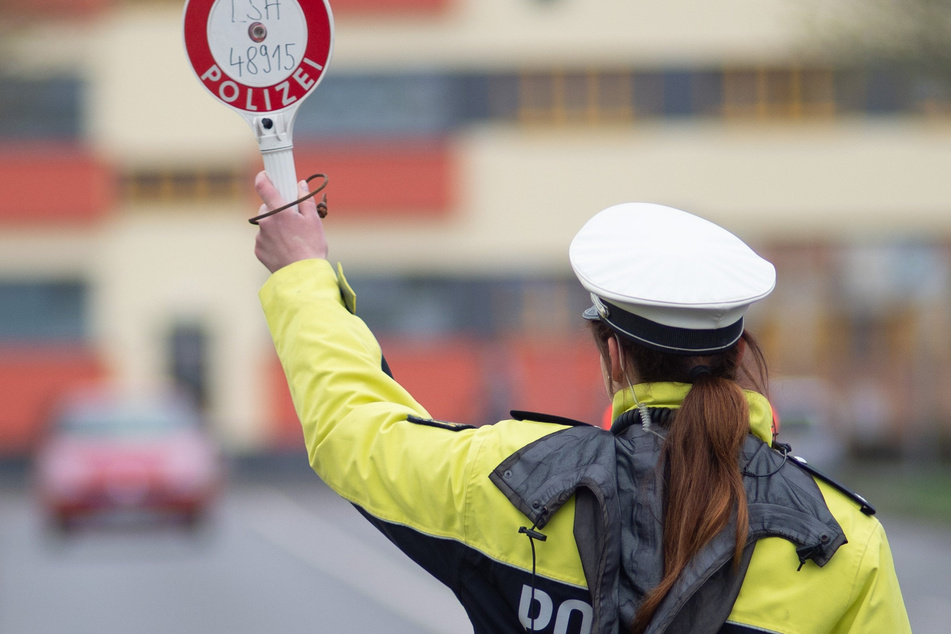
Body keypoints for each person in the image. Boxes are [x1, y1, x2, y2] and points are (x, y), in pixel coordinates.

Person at [253, 172, 910, 634]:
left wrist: (303, 273)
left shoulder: (511, 480)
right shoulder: (844, 544)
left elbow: (356, 435)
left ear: (611, 355)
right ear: (739, 356)